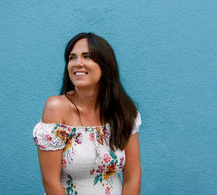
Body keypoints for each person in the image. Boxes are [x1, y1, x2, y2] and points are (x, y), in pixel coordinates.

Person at [33, 32, 142, 195]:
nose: (78, 63)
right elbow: (51, 183)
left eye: (87, 56)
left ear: (105, 65)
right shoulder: (56, 108)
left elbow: (133, 177)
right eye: (72, 58)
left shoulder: (123, 111)